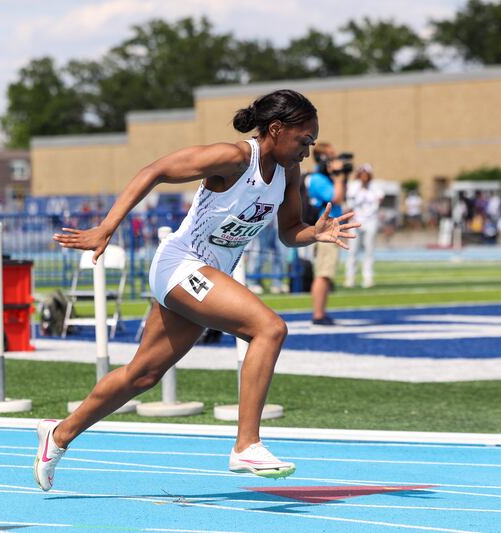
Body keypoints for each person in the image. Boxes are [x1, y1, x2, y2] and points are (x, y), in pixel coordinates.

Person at [35, 89, 358, 491]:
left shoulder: (289, 172)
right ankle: (246, 444)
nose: (307, 151)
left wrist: (315, 233)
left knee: (143, 375)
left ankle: (59, 435)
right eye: (303, 141)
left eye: (311, 143)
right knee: (269, 328)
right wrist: (106, 227)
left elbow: (289, 231)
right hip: (182, 264)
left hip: (207, 275)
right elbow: (152, 171)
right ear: (276, 129)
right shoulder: (235, 158)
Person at [306, 142, 351, 325]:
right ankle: (318, 314)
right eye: (332, 158)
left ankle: (321, 312)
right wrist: (339, 178)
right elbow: (337, 198)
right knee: (323, 272)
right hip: (326, 230)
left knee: (327, 272)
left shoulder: (325, 177)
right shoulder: (317, 179)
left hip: (333, 229)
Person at [344, 164, 382, 288]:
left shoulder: (375, 187)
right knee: (353, 251)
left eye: (366, 174)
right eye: (362, 173)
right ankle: (350, 277)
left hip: (370, 221)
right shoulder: (353, 186)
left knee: (369, 250)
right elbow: (349, 204)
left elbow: (379, 199)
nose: (364, 176)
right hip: (355, 221)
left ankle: (368, 277)